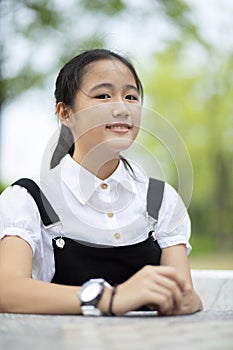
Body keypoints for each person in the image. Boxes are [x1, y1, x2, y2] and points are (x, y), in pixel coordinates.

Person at [0, 48, 202, 316]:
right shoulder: (28, 198)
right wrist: (108, 298)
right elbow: (7, 291)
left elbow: (183, 293)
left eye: (131, 97)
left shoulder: (161, 199)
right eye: (103, 96)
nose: (121, 107)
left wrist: (188, 301)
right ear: (65, 113)